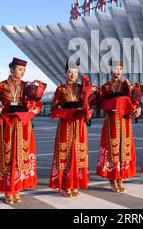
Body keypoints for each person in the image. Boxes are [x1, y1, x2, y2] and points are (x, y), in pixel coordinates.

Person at [0, 58, 42, 204]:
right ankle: (8, 191)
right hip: (7, 125)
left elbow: (37, 102)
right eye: (19, 69)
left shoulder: (28, 86)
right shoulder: (1, 86)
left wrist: (37, 108)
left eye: (24, 70)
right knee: (7, 156)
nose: (22, 72)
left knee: (20, 157)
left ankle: (17, 188)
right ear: (11, 69)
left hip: (23, 125)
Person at [49, 61, 95, 197]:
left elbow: (89, 104)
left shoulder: (82, 88)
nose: (72, 74)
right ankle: (66, 185)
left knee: (78, 153)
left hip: (79, 124)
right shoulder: (61, 89)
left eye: (75, 72)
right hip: (65, 125)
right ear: (65, 73)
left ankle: (76, 184)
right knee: (66, 153)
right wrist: (63, 111)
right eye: (70, 72)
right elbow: (54, 107)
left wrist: (89, 111)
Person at [96, 60, 141, 193]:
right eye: (116, 68)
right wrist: (111, 103)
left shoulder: (128, 85)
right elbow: (99, 103)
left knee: (123, 148)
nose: (118, 71)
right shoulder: (105, 87)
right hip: (112, 121)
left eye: (120, 69)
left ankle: (120, 178)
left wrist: (138, 108)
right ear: (111, 70)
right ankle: (112, 179)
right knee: (112, 148)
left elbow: (135, 101)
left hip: (125, 121)